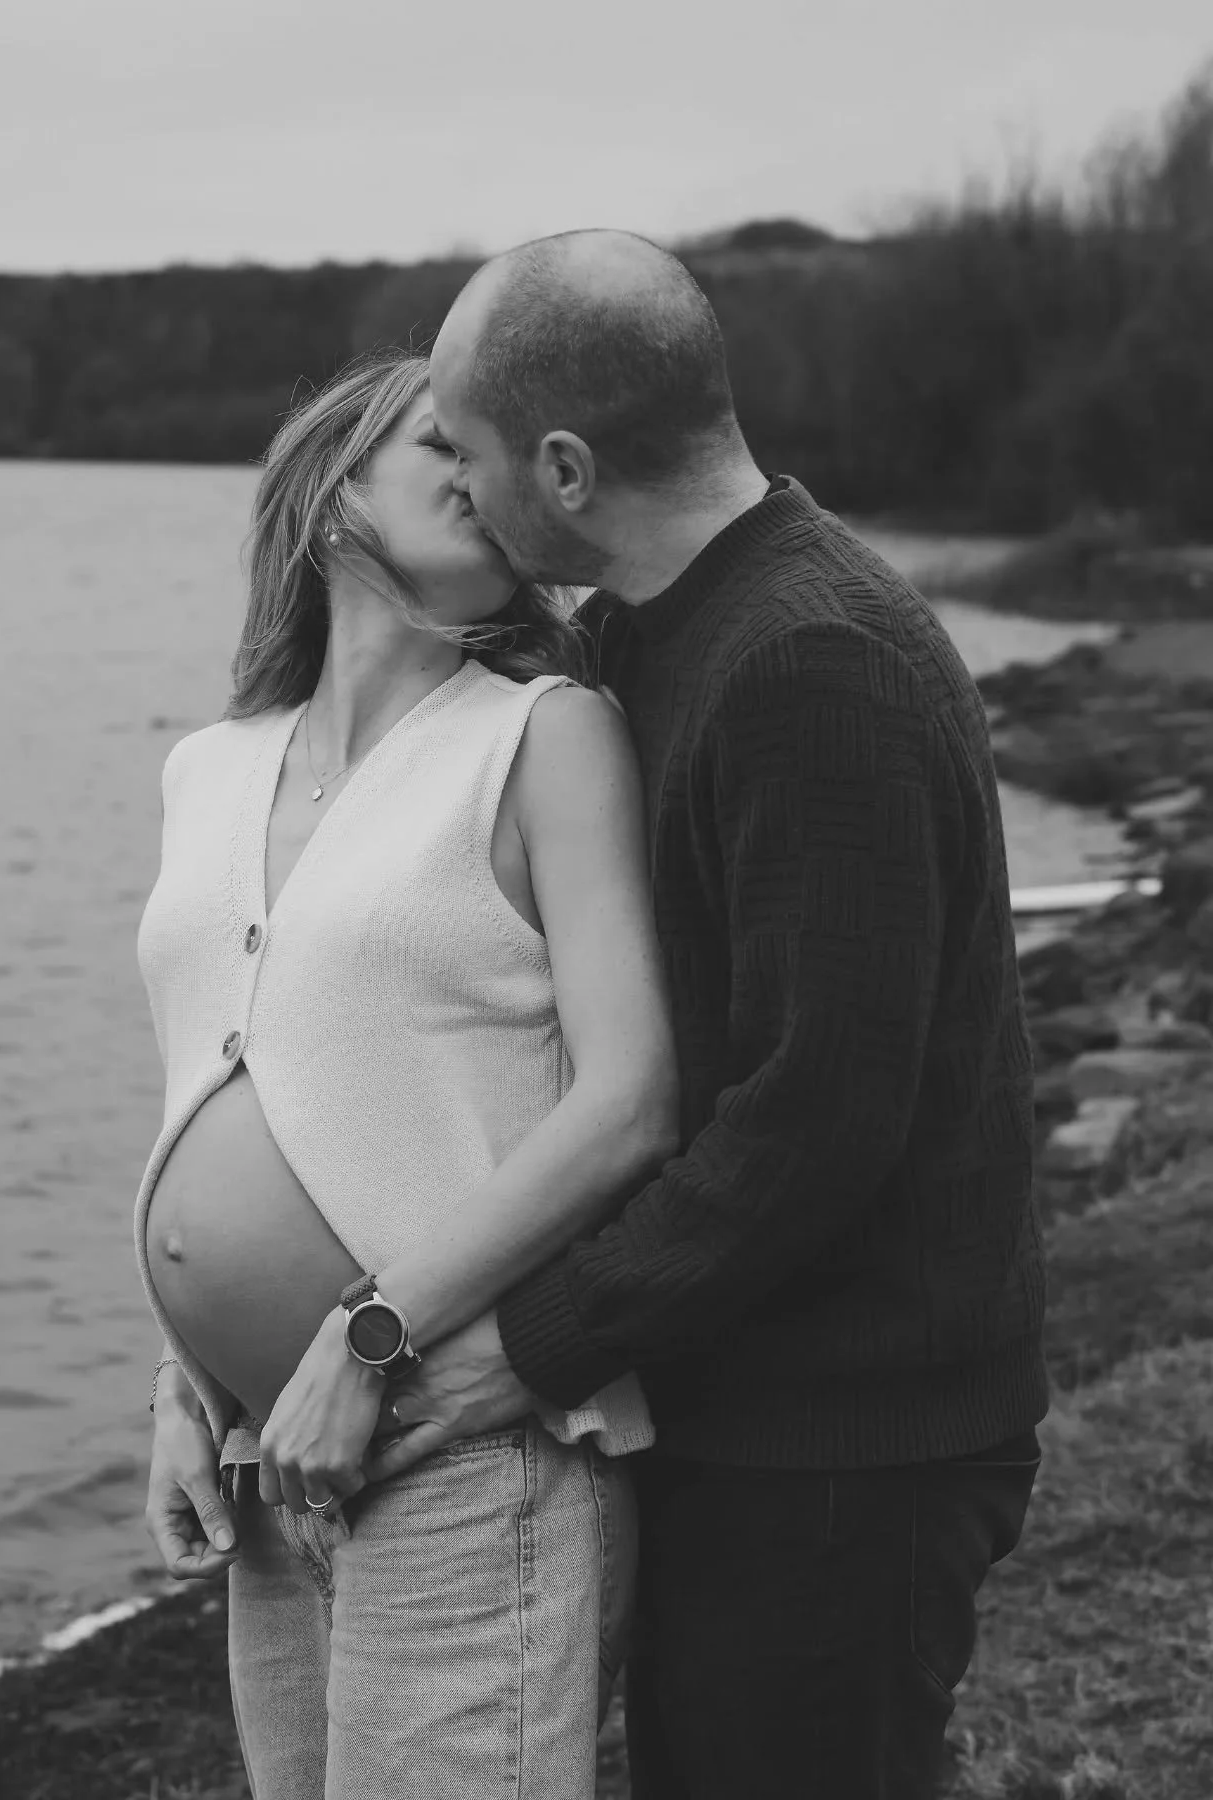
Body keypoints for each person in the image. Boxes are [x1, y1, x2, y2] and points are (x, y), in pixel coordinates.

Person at [366, 230, 1049, 1800]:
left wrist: (528, 1347)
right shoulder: (645, 634)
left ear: (565, 465)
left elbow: (820, 1119)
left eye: (464, 454)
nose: (459, 491)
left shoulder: (813, 661)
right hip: (754, 1396)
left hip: (855, 1435)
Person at [133, 346, 679, 1800]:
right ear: (330, 484)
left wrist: (372, 1341)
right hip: (268, 1463)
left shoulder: (547, 737)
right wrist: (182, 1390)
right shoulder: (210, 767)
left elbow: (630, 1100)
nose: (479, 469)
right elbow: (223, 1085)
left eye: (495, 451)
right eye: (442, 440)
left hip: (457, 1442)